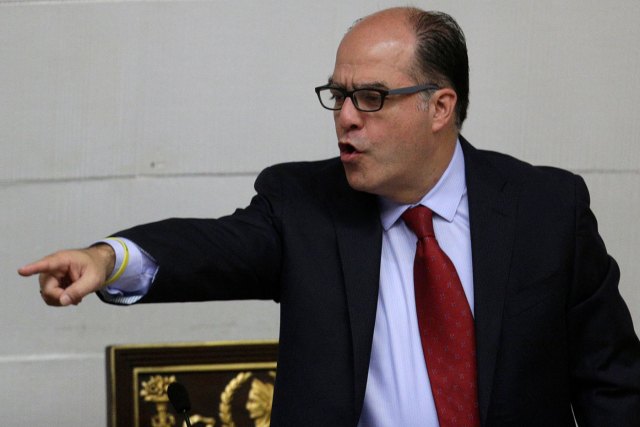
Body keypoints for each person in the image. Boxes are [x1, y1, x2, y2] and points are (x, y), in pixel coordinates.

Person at [19, 7, 640, 427]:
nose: (345, 116)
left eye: (370, 97)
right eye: (338, 96)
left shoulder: (546, 210)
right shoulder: (305, 204)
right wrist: (108, 260)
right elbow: (214, 247)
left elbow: (613, 385)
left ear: (439, 106)